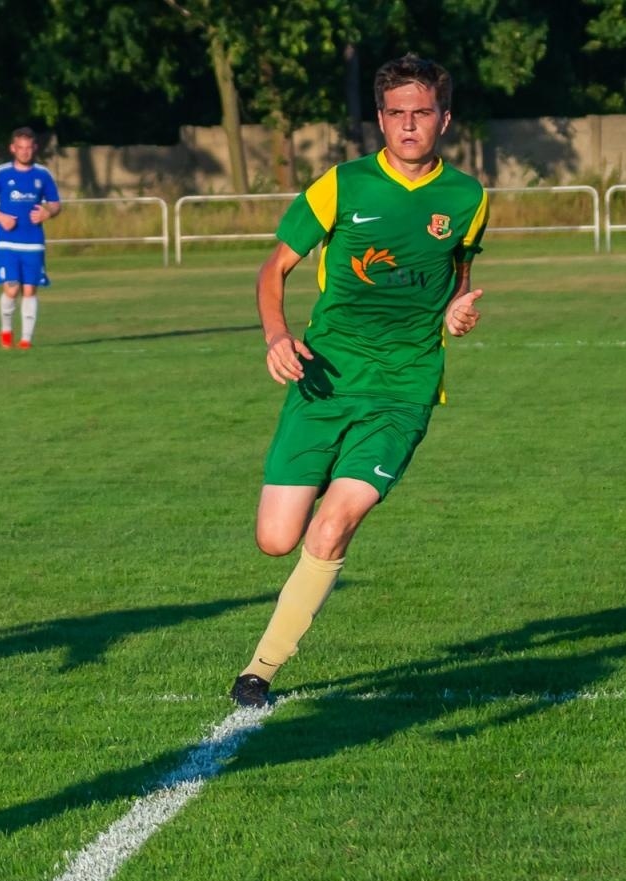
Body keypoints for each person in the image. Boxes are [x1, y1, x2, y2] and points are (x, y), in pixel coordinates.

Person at [230, 54, 488, 708]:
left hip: (402, 390)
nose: (409, 126)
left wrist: (456, 311)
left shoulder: (467, 198)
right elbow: (273, 269)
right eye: (396, 114)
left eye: (421, 113)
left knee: (333, 525)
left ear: (444, 119)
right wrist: (276, 335)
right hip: (325, 379)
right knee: (276, 539)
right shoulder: (339, 186)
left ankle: (260, 669)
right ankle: (323, 490)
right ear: (380, 119)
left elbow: (455, 274)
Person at [0, 127, 61, 349]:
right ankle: (6, 331)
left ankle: (26, 340)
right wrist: (0, 216)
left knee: (29, 289)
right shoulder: (1, 174)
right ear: (12, 148)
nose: (24, 152)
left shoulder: (42, 175)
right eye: (20, 148)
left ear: (34, 148)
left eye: (28, 148)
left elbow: (55, 204)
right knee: (12, 287)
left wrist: (48, 213)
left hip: (33, 242)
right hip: (7, 240)